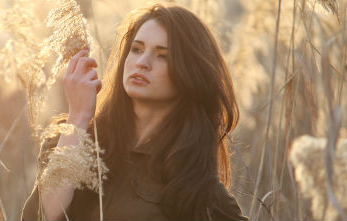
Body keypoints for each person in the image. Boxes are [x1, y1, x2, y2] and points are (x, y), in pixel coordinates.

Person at [21, 4, 248, 221]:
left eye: (162, 55)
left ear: (189, 73)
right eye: (137, 49)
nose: (142, 62)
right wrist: (78, 117)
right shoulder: (74, 140)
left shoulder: (200, 190)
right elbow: (43, 216)